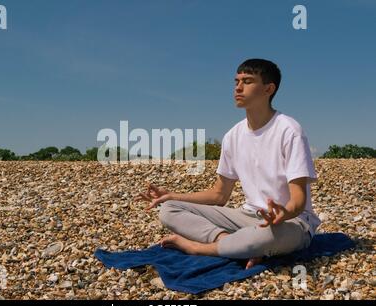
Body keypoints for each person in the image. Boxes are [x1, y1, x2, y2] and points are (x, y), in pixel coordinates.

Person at [135, 58, 320, 269]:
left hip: (291, 222)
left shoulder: (289, 130)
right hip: (247, 216)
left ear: (269, 88)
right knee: (169, 210)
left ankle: (199, 248)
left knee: (260, 239)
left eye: (248, 81)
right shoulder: (232, 136)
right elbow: (219, 195)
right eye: (236, 81)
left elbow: (298, 201)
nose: (238, 88)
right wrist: (172, 196)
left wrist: (282, 214)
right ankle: (228, 243)